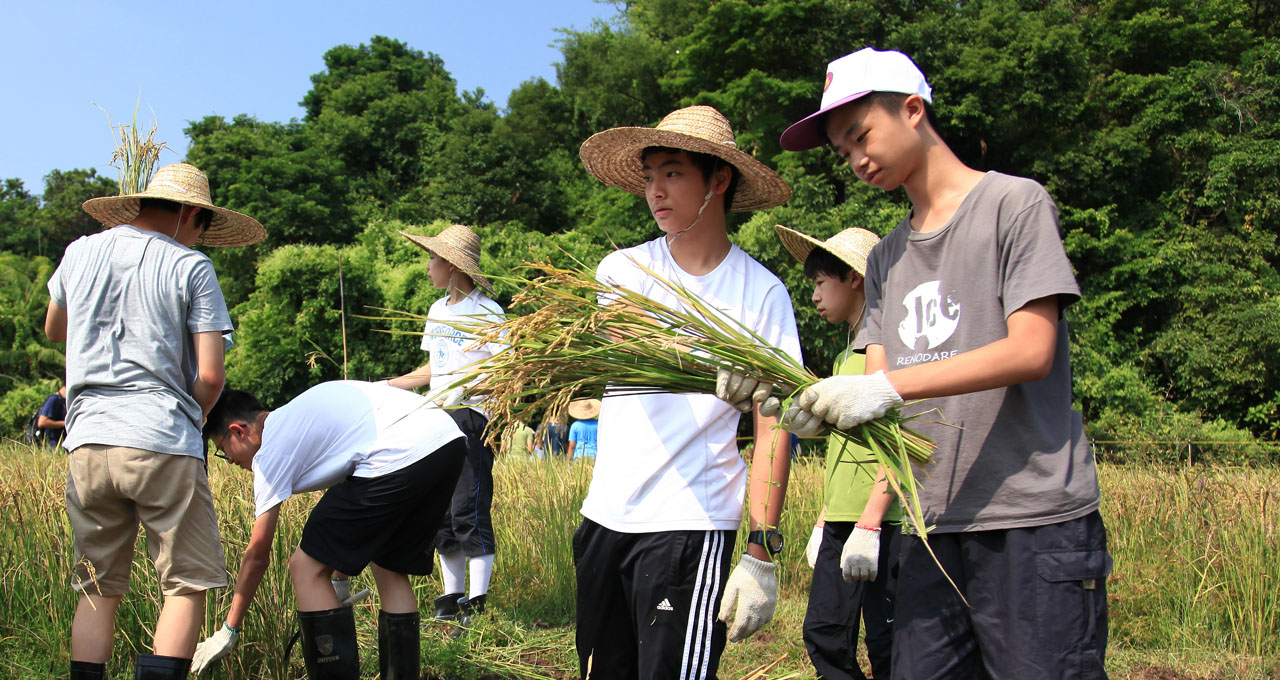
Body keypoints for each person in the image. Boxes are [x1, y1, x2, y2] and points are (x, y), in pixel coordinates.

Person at [769, 47, 1110, 678]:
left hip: (1031, 523)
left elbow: (1031, 350)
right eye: (843, 153)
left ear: (913, 109)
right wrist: (795, 403)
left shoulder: (1015, 206)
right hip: (930, 529)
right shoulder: (886, 259)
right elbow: (874, 395)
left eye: (860, 136)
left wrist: (886, 389)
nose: (855, 160)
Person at [575, 104, 802, 679]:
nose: (655, 190)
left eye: (672, 172)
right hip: (604, 516)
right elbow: (627, 346)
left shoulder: (761, 293)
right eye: (649, 175)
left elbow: (775, 423)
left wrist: (761, 548)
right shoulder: (622, 271)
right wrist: (712, 364)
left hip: (689, 526)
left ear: (718, 180)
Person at [45, 162, 264, 680]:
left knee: (97, 585)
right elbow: (210, 375)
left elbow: (56, 328)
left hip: (88, 439)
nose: (200, 238)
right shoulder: (191, 268)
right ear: (190, 214)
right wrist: (194, 415)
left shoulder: (80, 251)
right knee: (184, 584)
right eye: (203, 227)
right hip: (161, 436)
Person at [189, 381, 467, 678]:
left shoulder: (271, 452)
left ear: (238, 431)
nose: (230, 461)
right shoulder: (301, 418)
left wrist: (229, 629)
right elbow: (352, 503)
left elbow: (258, 553)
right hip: (446, 439)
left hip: (397, 452)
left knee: (305, 567)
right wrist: (339, 580)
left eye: (223, 450)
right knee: (389, 565)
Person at [775, 224, 897, 679]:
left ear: (854, 278)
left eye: (821, 283)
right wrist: (826, 516)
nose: (815, 296)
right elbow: (846, 450)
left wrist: (871, 522)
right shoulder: (846, 357)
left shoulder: (883, 355)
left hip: (881, 523)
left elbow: (903, 449)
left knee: (887, 642)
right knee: (824, 632)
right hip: (841, 521)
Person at [388, 224, 504, 627]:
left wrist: (468, 386)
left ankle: (478, 599)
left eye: (434, 258)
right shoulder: (437, 311)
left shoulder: (488, 312)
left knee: (467, 505)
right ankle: (451, 595)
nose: (428, 267)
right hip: (435, 417)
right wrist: (388, 384)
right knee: (440, 510)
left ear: (454, 266)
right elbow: (434, 368)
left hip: (470, 417)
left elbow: (506, 371)